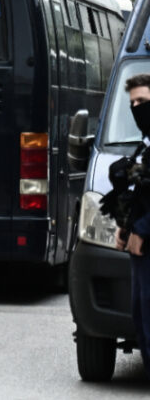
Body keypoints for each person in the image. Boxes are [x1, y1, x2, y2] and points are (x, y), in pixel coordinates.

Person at [110, 74, 150, 377]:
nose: (137, 108)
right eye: (133, 103)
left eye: (143, 101)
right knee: (142, 319)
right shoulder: (145, 145)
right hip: (141, 252)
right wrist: (125, 226)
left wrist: (142, 229)